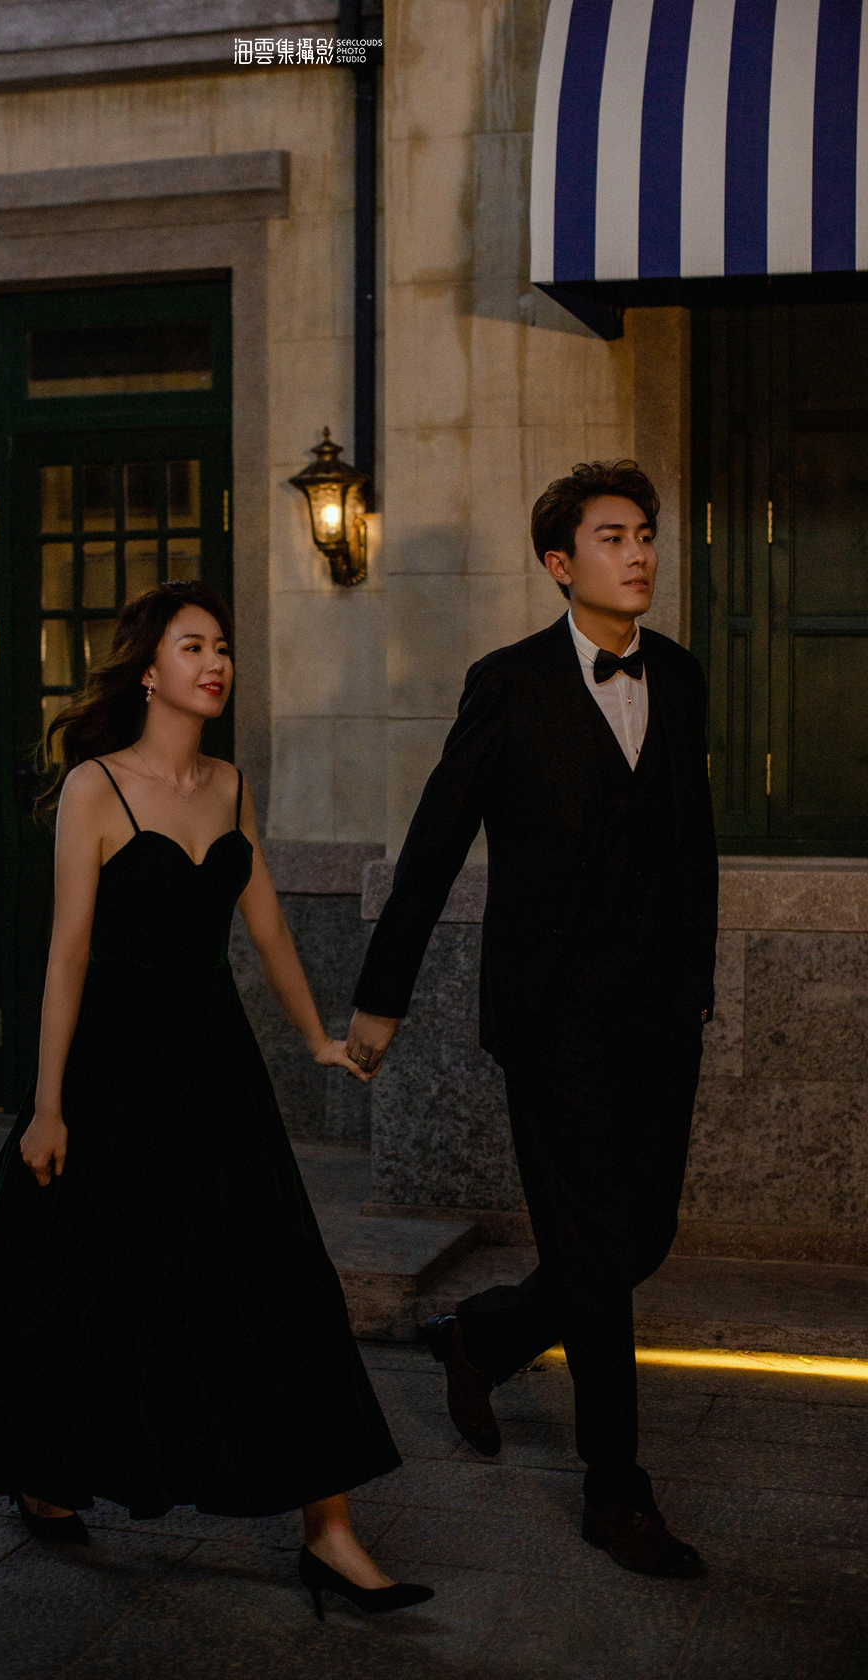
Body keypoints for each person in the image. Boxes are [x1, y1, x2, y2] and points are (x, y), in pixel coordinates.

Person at [0, 580, 432, 1621]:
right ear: (147, 669)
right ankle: (42, 1468)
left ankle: (330, 1533)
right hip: (108, 1071)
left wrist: (316, 1036)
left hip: (216, 1071)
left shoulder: (229, 785)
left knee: (283, 1282)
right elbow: (67, 955)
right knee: (76, 1279)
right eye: (193, 647)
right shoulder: (94, 785)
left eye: (222, 647)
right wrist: (49, 1106)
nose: (215, 663)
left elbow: (267, 926)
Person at [346, 462, 717, 1579]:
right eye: (613, 537)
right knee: (594, 1256)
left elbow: (690, 842)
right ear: (561, 564)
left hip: (658, 1015)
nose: (639, 554)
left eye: (645, 535)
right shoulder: (506, 685)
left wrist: (696, 984)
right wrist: (381, 996)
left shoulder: (681, 675)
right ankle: (618, 1494)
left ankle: (482, 1335)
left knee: (639, 1240)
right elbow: (435, 841)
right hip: (553, 1021)